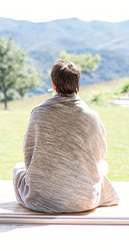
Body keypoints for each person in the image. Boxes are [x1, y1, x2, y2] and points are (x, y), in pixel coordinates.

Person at [12, 59, 119, 213]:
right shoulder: (91, 116)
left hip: (42, 199)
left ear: (53, 85)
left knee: (18, 169)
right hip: (82, 200)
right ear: (77, 85)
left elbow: (29, 154)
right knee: (103, 166)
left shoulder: (38, 113)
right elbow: (99, 153)